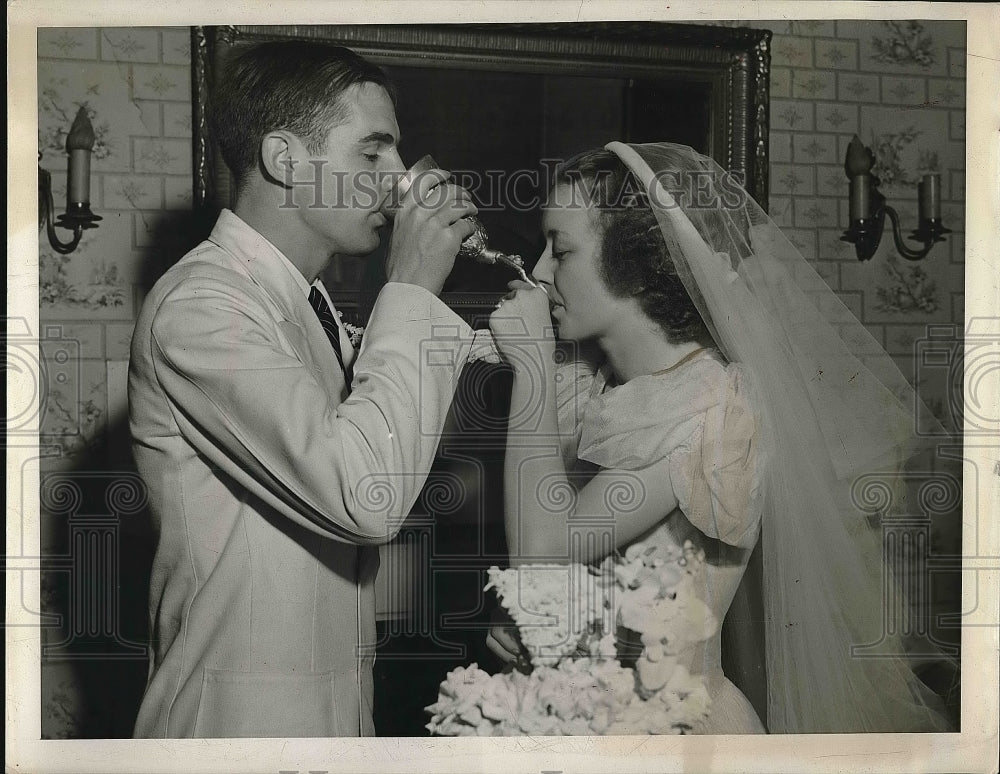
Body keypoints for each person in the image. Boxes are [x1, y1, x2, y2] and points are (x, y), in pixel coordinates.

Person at [485, 142, 952, 733]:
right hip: (584, 726)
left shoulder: (712, 406)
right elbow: (568, 569)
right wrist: (537, 626)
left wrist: (529, 367)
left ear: (633, 264)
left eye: (561, 249)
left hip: (678, 736)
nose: (539, 271)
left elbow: (542, 548)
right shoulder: (597, 390)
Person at [128, 41, 484, 738]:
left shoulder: (304, 302)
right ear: (284, 159)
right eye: (372, 154)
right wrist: (409, 287)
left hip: (332, 714)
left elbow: (390, 432)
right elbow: (368, 496)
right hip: (236, 728)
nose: (397, 182)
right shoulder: (202, 308)